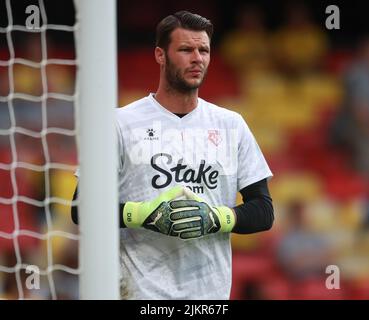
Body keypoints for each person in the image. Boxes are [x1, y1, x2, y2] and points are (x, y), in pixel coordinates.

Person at [71, 11, 274, 300]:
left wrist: (217, 218)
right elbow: (81, 208)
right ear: (160, 55)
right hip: (139, 295)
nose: (197, 58)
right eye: (185, 50)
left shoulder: (231, 124)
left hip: (209, 297)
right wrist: (144, 214)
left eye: (203, 50)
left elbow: (263, 211)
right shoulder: (119, 123)